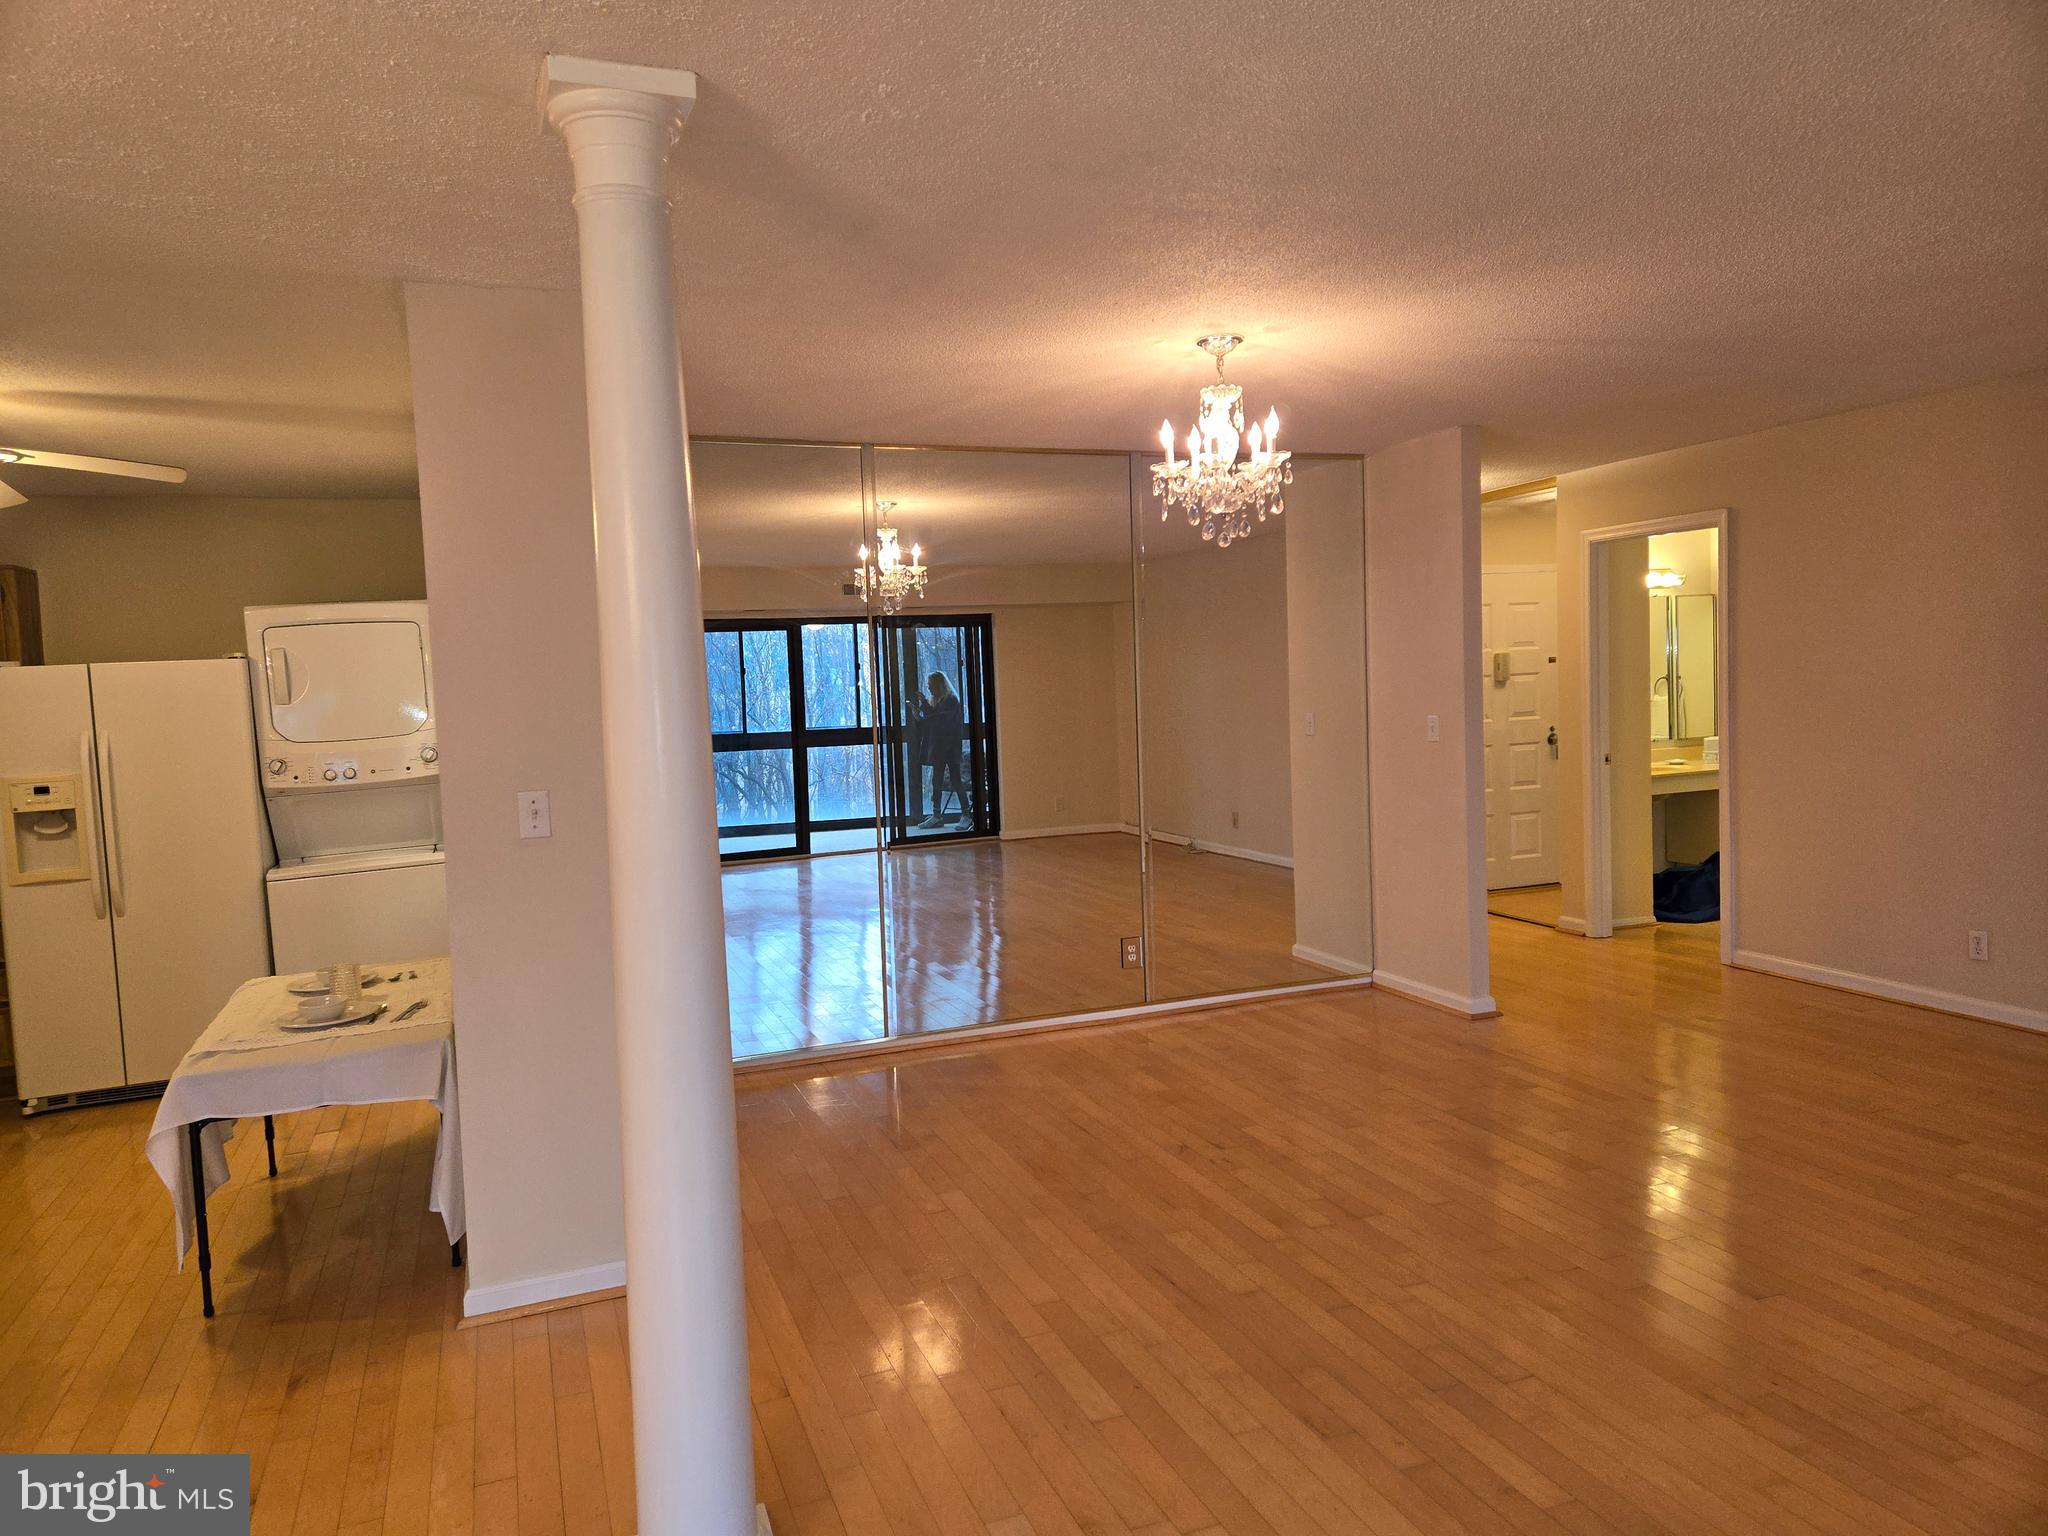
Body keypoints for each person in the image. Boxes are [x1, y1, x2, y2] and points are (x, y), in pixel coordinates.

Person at [917, 671, 966, 828]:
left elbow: (937, 720)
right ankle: (936, 815)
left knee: (956, 780)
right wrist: (920, 715)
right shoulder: (940, 702)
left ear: (939, 686)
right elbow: (933, 721)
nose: (930, 689)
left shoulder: (950, 701)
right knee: (936, 781)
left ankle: (966, 814)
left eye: (931, 686)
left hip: (949, 748)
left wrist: (924, 704)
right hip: (939, 748)